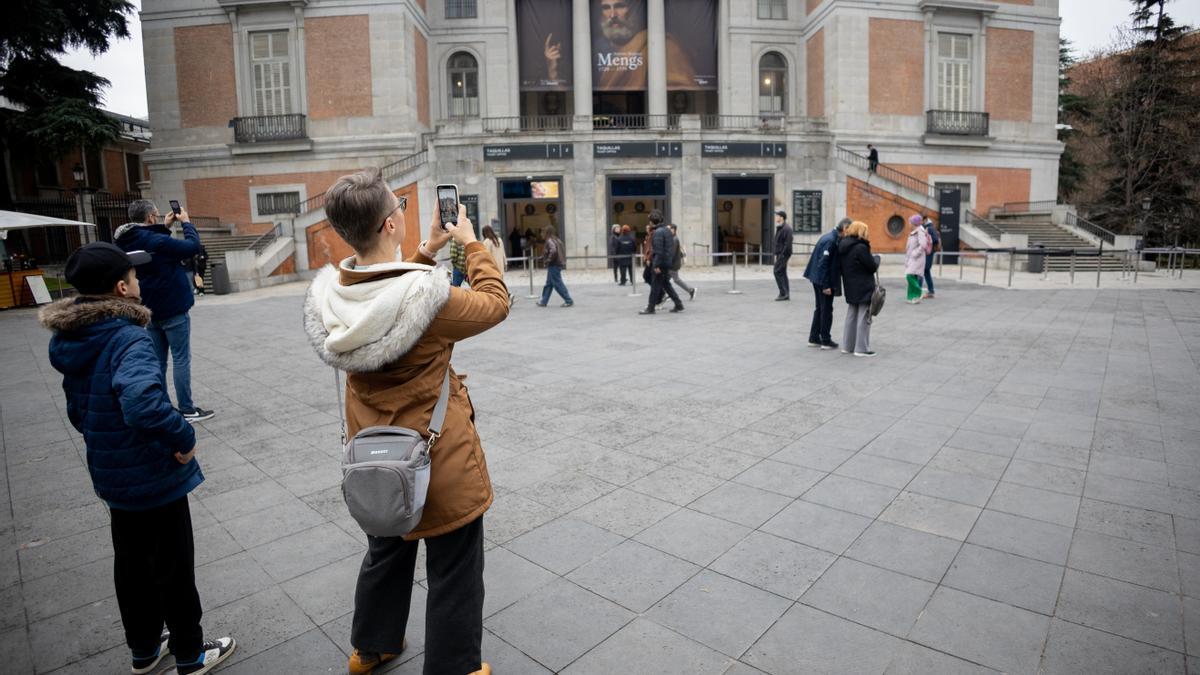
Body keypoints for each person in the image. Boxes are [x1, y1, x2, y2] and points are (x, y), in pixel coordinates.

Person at [303, 170, 507, 675]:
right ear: (392, 223)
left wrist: (427, 250)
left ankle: (370, 649)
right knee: (454, 568)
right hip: (437, 459)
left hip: (376, 456)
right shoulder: (430, 300)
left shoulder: (334, 298)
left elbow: (387, 298)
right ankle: (454, 666)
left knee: (385, 553)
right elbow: (495, 303)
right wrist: (472, 244)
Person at [39, 242, 235, 675]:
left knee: (131, 564)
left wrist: (105, 441)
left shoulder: (73, 340)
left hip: (112, 473)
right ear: (121, 288)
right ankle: (190, 654)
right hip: (152, 474)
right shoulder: (128, 337)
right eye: (134, 275)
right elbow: (143, 404)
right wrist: (182, 436)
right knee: (173, 566)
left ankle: (144, 649)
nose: (140, 280)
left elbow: (78, 411)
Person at [115, 200, 214, 423]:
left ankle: (162, 407)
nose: (159, 218)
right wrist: (186, 223)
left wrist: (166, 227)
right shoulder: (155, 240)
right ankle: (187, 409)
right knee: (180, 359)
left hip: (147, 310)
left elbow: (153, 251)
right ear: (150, 218)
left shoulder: (124, 241)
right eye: (157, 216)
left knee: (158, 362)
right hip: (172, 307)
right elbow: (192, 247)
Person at [593, 0, 697, 90]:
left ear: (633, 10)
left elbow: (683, 87)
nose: (613, 15)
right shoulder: (593, 50)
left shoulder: (665, 46)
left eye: (620, 6)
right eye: (606, 8)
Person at [837, 221, 880, 357]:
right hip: (863, 286)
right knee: (864, 317)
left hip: (850, 285)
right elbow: (872, 266)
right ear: (860, 232)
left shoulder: (843, 245)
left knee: (851, 315)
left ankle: (847, 346)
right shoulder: (861, 247)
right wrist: (877, 259)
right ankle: (861, 349)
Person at [803, 218, 847, 349]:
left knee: (820, 308)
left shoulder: (829, 237)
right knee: (826, 309)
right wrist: (826, 285)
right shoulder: (831, 241)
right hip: (822, 280)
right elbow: (824, 264)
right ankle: (826, 340)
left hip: (816, 278)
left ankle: (814, 338)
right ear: (844, 228)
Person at [639, 210, 684, 314]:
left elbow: (658, 251)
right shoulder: (667, 230)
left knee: (655, 285)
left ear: (652, 221)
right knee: (666, 284)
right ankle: (679, 304)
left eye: (650, 220)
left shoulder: (658, 232)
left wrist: (656, 265)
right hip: (666, 262)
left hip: (660, 263)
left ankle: (651, 308)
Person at [536, 225, 574, 307]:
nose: (542, 234)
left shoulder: (549, 240)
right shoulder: (556, 239)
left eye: (543, 232)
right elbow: (552, 251)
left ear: (546, 233)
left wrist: (548, 260)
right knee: (549, 284)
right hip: (556, 264)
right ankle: (544, 301)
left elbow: (553, 251)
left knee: (557, 283)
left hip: (554, 265)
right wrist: (542, 257)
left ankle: (568, 300)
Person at [482, 224, 515, 306]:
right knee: (499, 284)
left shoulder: (486, 242)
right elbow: (503, 253)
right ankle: (507, 297)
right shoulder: (499, 240)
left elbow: (485, 256)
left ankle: (507, 297)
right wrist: (506, 263)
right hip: (500, 267)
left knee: (494, 285)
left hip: (492, 268)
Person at [905, 214, 930, 304]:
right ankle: (912, 297)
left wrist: (914, 254)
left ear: (913, 223)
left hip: (916, 259)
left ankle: (920, 292)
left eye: (910, 222)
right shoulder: (915, 231)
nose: (909, 224)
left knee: (909, 276)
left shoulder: (920, 231)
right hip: (912, 259)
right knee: (912, 277)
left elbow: (923, 244)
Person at [668, 224, 696, 301]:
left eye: (670, 229)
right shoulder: (673, 238)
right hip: (673, 263)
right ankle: (666, 294)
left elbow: (672, 254)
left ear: (674, 230)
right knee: (666, 280)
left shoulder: (674, 239)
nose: (669, 230)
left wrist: (667, 262)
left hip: (673, 264)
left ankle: (690, 290)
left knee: (675, 280)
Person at [772, 210, 794, 300]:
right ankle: (786, 294)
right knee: (783, 273)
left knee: (776, 271)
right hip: (780, 254)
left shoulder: (787, 229)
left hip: (783, 254)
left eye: (777, 216)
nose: (776, 217)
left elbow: (788, 244)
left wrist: (782, 255)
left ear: (781, 217)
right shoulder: (781, 228)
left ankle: (783, 293)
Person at [922, 217, 940, 299]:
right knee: (926, 272)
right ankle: (931, 290)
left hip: (928, 253)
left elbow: (935, 239)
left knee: (924, 271)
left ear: (925, 220)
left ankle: (928, 290)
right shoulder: (930, 227)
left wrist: (927, 239)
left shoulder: (929, 228)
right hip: (929, 253)